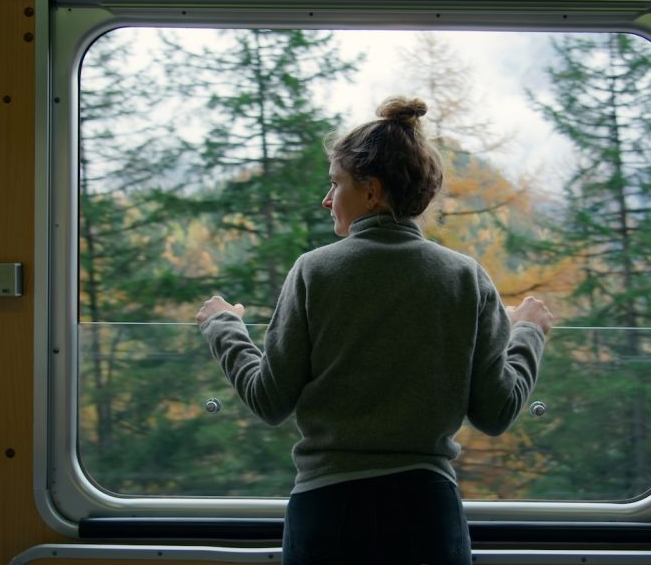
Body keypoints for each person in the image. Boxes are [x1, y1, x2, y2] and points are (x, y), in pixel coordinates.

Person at [197, 96, 553, 565]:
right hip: (428, 517)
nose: (327, 200)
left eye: (335, 184)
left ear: (372, 191)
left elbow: (269, 399)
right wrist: (527, 332)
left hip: (329, 515)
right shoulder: (466, 278)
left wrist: (225, 326)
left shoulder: (314, 272)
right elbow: (497, 412)